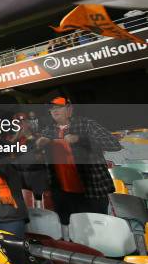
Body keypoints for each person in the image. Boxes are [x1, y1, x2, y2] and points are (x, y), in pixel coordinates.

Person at [37, 97, 121, 238]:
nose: (54, 110)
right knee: (69, 234)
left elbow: (114, 144)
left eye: (58, 107)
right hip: (61, 193)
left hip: (91, 191)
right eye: (51, 108)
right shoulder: (47, 131)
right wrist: (37, 147)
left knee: (97, 235)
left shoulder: (86, 124)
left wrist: (81, 139)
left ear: (70, 109)